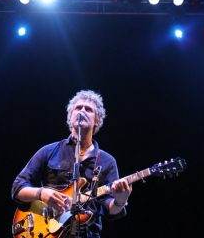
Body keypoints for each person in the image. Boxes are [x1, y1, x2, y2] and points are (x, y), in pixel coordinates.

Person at [11, 90, 132, 237]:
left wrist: (120, 200)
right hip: (47, 232)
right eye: (78, 108)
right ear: (71, 117)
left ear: (97, 120)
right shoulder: (49, 151)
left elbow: (110, 209)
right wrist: (42, 193)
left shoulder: (107, 161)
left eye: (88, 109)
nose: (82, 111)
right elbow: (17, 188)